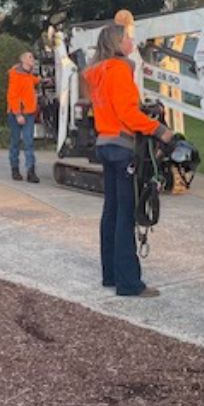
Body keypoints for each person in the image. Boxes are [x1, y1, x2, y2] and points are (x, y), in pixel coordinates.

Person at [83, 23, 174, 298]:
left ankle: (110, 273)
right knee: (125, 215)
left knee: (111, 212)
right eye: (127, 37)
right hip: (123, 148)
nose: (131, 40)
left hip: (105, 144)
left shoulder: (97, 73)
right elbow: (127, 113)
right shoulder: (119, 70)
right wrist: (161, 131)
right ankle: (129, 282)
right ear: (117, 43)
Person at [6, 51, 40, 183]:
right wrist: (18, 114)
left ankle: (30, 171)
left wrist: (43, 80)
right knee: (16, 142)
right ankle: (15, 169)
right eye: (30, 57)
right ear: (23, 60)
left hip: (29, 113)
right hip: (17, 114)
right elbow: (12, 96)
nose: (33, 59)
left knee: (28, 142)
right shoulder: (16, 75)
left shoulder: (28, 75)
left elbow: (34, 81)